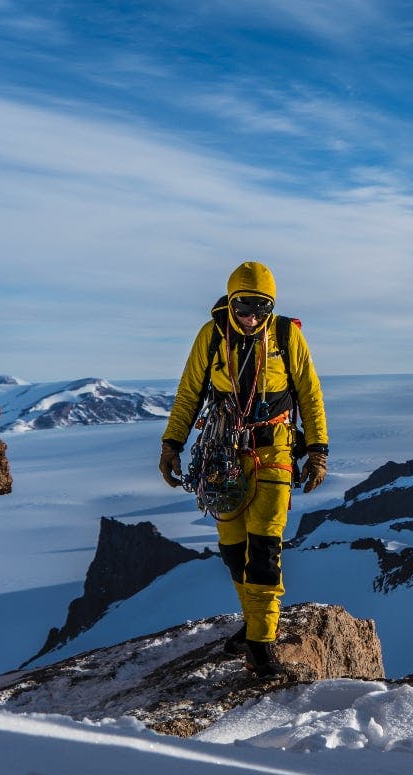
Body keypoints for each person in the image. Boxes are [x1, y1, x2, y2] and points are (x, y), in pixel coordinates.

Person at [158, 261, 329, 677]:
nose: (252, 316)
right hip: (223, 455)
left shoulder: (287, 336)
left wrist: (318, 451)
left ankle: (261, 643)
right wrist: (171, 444)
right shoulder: (212, 336)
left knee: (265, 548)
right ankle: (253, 625)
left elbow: (309, 392)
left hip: (274, 452)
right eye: (243, 307)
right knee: (233, 547)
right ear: (229, 302)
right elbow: (189, 393)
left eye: (261, 307)